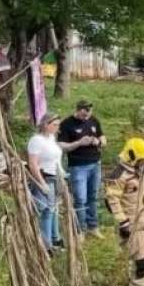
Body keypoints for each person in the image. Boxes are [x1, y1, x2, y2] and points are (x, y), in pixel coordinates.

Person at [105, 137, 144, 286]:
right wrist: (122, 222)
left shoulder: (142, 172)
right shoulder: (119, 176)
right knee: (140, 260)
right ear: (133, 157)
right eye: (143, 159)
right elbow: (112, 200)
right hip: (133, 223)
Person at [58, 100, 106, 238]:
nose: (87, 117)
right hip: (78, 166)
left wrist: (99, 142)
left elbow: (103, 138)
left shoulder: (93, 120)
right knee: (80, 198)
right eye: (84, 114)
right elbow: (61, 145)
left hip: (95, 164)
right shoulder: (67, 124)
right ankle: (81, 229)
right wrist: (79, 143)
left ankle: (93, 226)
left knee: (93, 196)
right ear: (78, 110)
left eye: (89, 114)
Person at [26, 113, 65, 253]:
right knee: (46, 211)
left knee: (54, 209)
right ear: (45, 125)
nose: (57, 128)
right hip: (44, 177)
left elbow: (56, 159)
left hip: (55, 177)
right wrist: (41, 183)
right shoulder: (36, 140)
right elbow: (33, 164)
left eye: (58, 125)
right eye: (54, 125)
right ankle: (46, 245)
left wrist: (62, 174)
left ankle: (55, 239)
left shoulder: (52, 138)